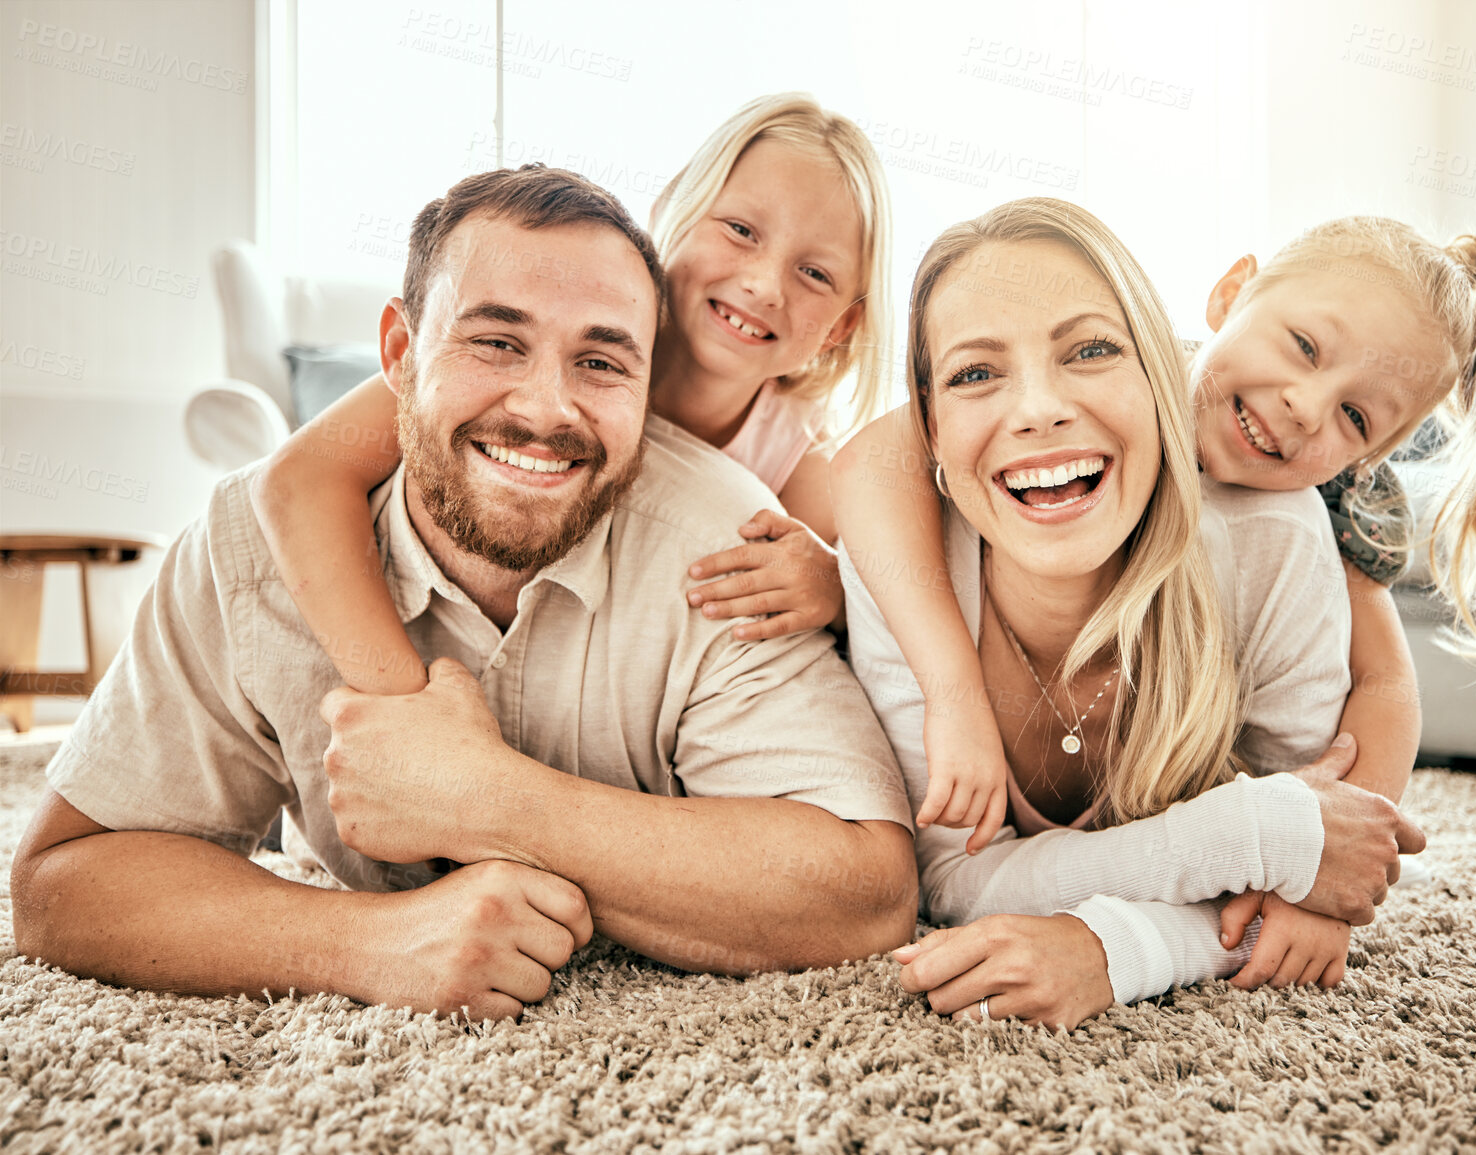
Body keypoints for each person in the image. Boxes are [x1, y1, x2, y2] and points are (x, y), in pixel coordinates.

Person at [9, 166, 917, 1022]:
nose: (545, 408)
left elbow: (865, 894)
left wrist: (486, 797)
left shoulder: (733, 549)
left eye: (601, 363)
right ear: (399, 353)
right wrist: (366, 943)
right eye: (495, 342)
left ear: (649, 380)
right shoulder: (248, 545)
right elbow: (62, 882)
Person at [834, 211, 1476, 955]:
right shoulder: (1104, 361)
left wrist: (1317, 870)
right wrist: (941, 677)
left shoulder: (1301, 519)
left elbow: (1385, 680)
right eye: (1302, 345)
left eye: (1355, 417)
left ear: (1368, 459)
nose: (1304, 404)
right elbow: (876, 457)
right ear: (1231, 293)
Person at [251, 94, 894, 702]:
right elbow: (295, 480)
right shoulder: (497, 375)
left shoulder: (808, 473)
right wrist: (401, 702)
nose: (763, 284)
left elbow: (849, 650)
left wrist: (837, 590)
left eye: (814, 273)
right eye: (740, 230)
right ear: (677, 210)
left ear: (841, 328)